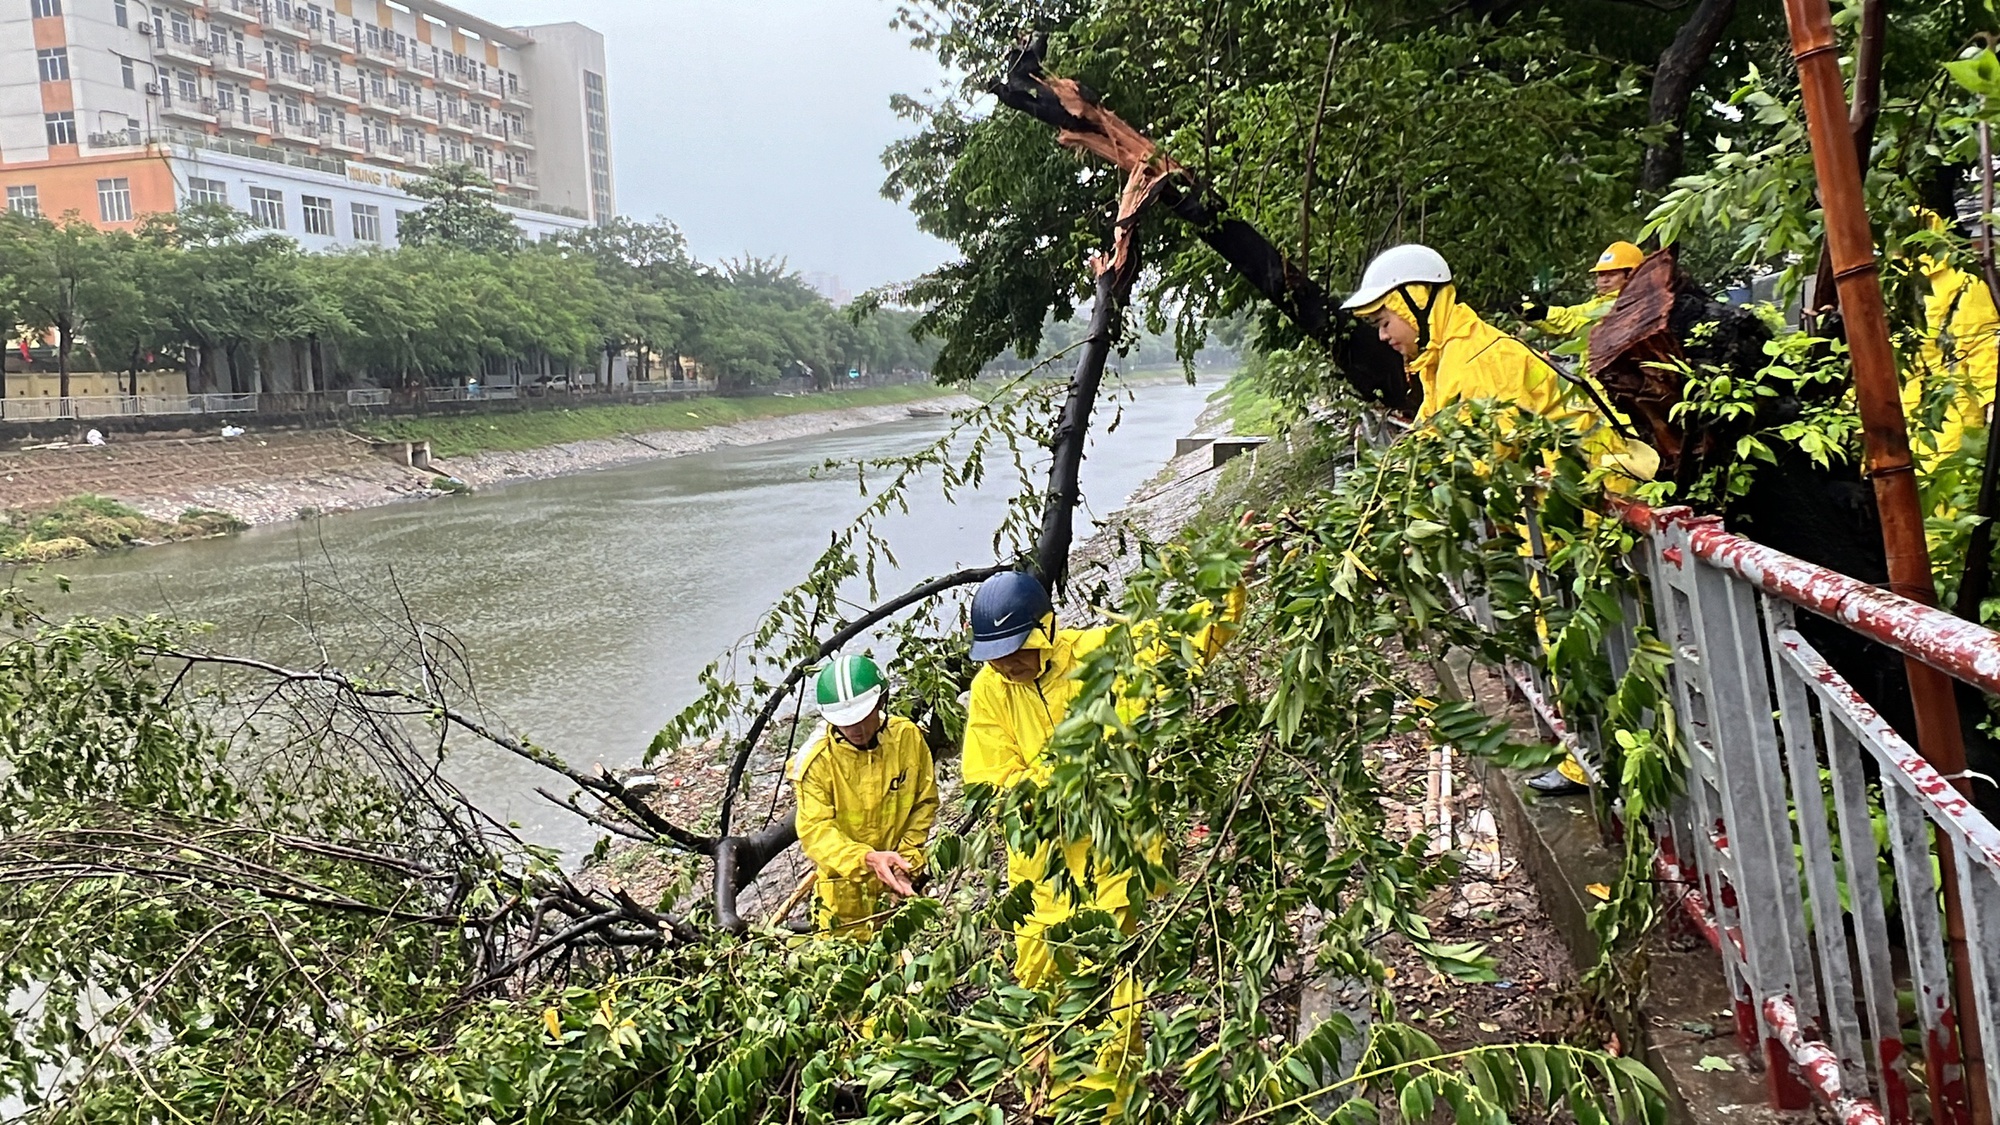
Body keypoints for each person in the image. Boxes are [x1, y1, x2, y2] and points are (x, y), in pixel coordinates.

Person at [1343, 244, 1657, 797]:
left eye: (1385, 320)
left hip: (1583, 521)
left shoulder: (1476, 362)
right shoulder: (1449, 359)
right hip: (1561, 524)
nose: (1383, 336)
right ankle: (1595, 758)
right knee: (1569, 639)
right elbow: (1431, 443)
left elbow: (1470, 463)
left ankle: (1605, 767)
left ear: (1417, 302)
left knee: (1586, 645)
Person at [962, 569, 1242, 1111]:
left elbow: (1187, 643)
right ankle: (1048, 1103)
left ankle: (1111, 1112)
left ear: (1045, 630)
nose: (1006, 663)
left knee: (1114, 1007)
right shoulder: (990, 691)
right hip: (1039, 876)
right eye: (994, 653)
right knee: (1040, 1001)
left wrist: (1228, 580)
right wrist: (1062, 788)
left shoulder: (1103, 655)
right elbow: (991, 779)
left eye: (1015, 649)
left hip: (1114, 867)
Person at [788, 653, 938, 937]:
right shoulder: (816, 761)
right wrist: (868, 860)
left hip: (900, 885)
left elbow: (924, 804)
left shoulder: (907, 738)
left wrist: (906, 862)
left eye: (862, 718)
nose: (855, 729)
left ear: (881, 703)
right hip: (843, 900)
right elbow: (816, 832)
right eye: (845, 722)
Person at [1520, 241, 1646, 346]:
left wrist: (1546, 314)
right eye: (1601, 275)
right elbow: (1573, 314)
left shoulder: (1631, 305)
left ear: (1631, 275)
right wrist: (1533, 314)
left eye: (1612, 274)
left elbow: (1584, 327)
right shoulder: (1600, 303)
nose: (1604, 280)